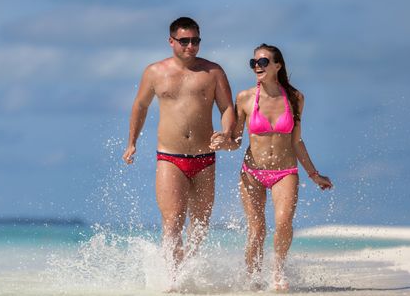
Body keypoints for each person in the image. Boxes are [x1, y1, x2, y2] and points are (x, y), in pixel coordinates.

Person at [210, 43, 333, 291]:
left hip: (285, 172)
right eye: (254, 62)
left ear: (277, 65)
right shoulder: (245, 98)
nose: (258, 66)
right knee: (257, 230)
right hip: (252, 173)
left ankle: (278, 271)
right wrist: (223, 142)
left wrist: (314, 174)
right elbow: (236, 142)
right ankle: (252, 279)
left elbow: (296, 141)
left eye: (263, 62)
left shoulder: (296, 99)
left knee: (284, 222)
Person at [122, 17, 235, 282]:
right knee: (173, 222)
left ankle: (190, 275)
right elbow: (140, 106)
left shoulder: (213, 72)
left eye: (195, 40)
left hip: (205, 157)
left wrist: (226, 132)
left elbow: (227, 107)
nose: (191, 46)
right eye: (184, 41)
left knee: (199, 226)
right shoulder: (155, 72)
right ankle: (172, 279)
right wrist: (132, 142)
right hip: (170, 157)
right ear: (171, 41)